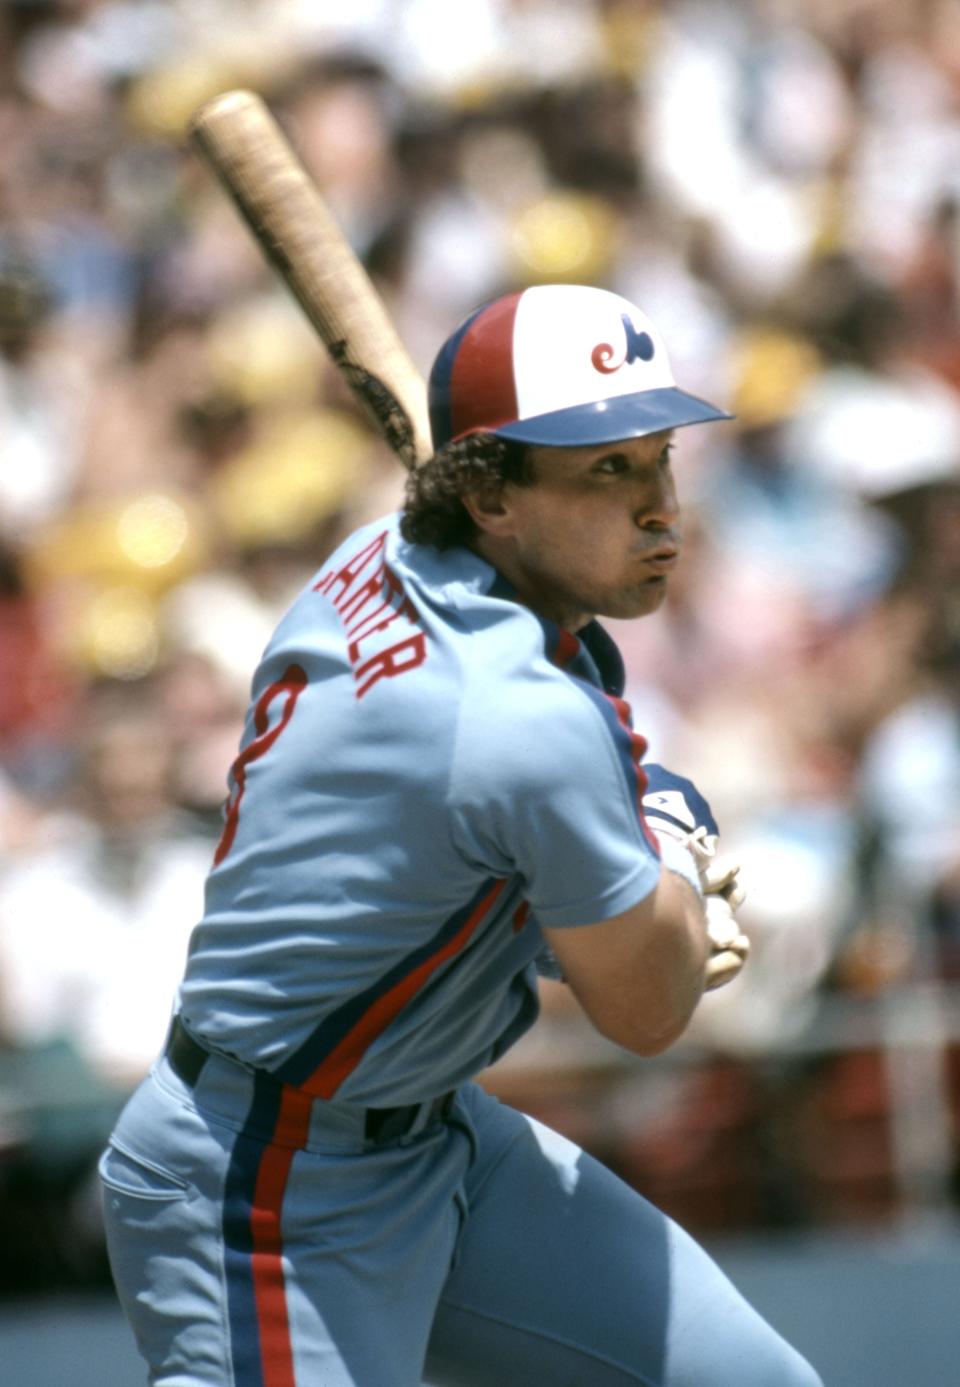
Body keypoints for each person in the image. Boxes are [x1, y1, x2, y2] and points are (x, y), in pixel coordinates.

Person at [99, 284, 822, 1386]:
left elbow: (473, 850)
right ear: (489, 496)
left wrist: (624, 840)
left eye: (658, 457)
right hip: (262, 1187)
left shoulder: (382, 551)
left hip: (441, 1136)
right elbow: (648, 1009)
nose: (661, 507)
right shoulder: (510, 715)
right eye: (605, 472)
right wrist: (672, 830)